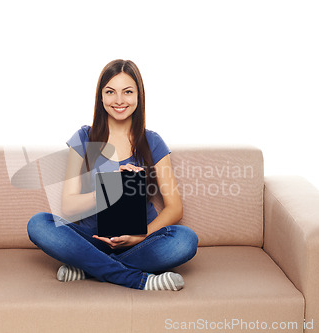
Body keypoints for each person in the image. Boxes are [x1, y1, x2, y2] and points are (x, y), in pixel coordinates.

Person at [27, 59, 198, 291]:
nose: (119, 100)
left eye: (127, 92)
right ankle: (138, 279)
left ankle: (89, 270)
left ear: (139, 96)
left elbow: (175, 208)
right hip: (91, 241)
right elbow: (68, 206)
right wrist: (109, 191)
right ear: (101, 97)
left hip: (140, 243)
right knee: (38, 224)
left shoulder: (152, 142)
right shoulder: (84, 138)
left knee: (186, 240)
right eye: (110, 92)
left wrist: (140, 237)